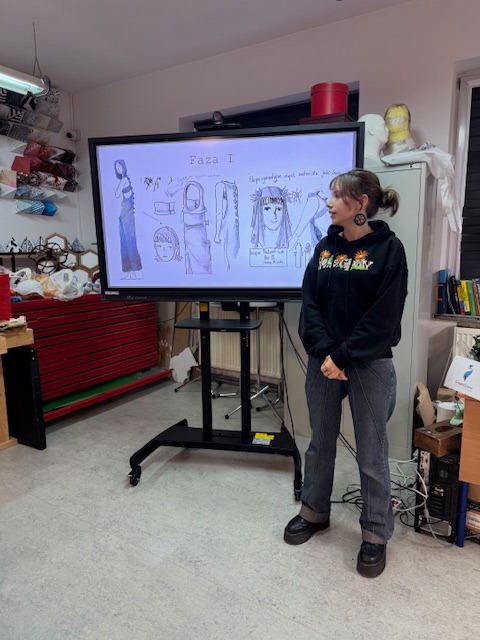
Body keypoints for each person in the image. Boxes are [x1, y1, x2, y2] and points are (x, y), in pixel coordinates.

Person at [284, 168, 408, 578]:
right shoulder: (324, 248)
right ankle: (314, 512)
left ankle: (375, 533)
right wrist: (326, 354)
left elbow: (384, 317)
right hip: (325, 361)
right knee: (319, 442)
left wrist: (343, 356)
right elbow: (310, 303)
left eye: (337, 195)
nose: (328, 202)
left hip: (369, 363)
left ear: (360, 203)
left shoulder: (389, 250)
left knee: (372, 451)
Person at [114, 159, 142, 279]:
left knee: (129, 240)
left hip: (127, 214)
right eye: (117, 167)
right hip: (124, 213)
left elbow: (117, 194)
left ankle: (136, 268)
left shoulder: (124, 180)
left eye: (120, 166)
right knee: (124, 241)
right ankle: (127, 269)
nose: (119, 169)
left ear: (124, 167)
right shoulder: (124, 180)